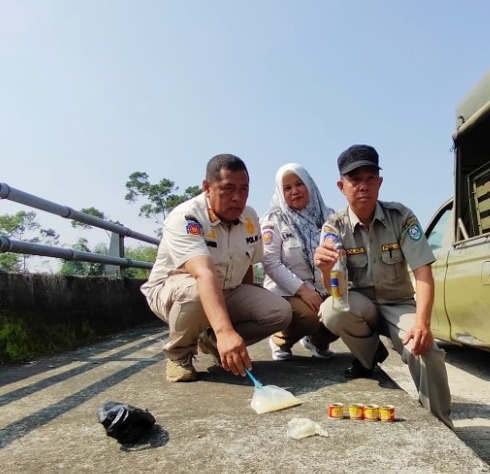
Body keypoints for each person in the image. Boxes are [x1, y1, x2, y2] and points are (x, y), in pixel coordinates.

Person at [313, 144, 453, 428]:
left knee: (425, 349)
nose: (363, 185)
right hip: (361, 305)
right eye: (355, 179)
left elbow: (423, 272)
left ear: (379, 181)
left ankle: (440, 424)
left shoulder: (400, 217)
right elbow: (334, 290)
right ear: (342, 186)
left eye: (370, 178)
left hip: (398, 305)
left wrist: (423, 323)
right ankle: (370, 355)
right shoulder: (333, 227)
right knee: (331, 310)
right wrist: (327, 269)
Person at [141, 153, 292, 382]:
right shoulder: (186, 218)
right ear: (207, 187)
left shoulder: (250, 218)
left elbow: (248, 266)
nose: (237, 197)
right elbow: (204, 273)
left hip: (226, 289)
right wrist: (226, 331)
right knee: (196, 293)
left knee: (280, 312)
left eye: (244, 189)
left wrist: (236, 319)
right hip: (175, 292)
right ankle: (179, 355)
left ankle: (210, 340)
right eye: (228, 188)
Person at [261, 162, 338, 361]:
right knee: (309, 316)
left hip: (324, 287)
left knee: (346, 310)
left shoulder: (330, 217)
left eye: (299, 184)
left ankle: (317, 341)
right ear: (280, 191)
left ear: (309, 185)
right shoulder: (273, 219)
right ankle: (280, 341)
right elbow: (270, 262)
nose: (294, 191)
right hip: (287, 292)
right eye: (287, 188)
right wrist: (303, 290)